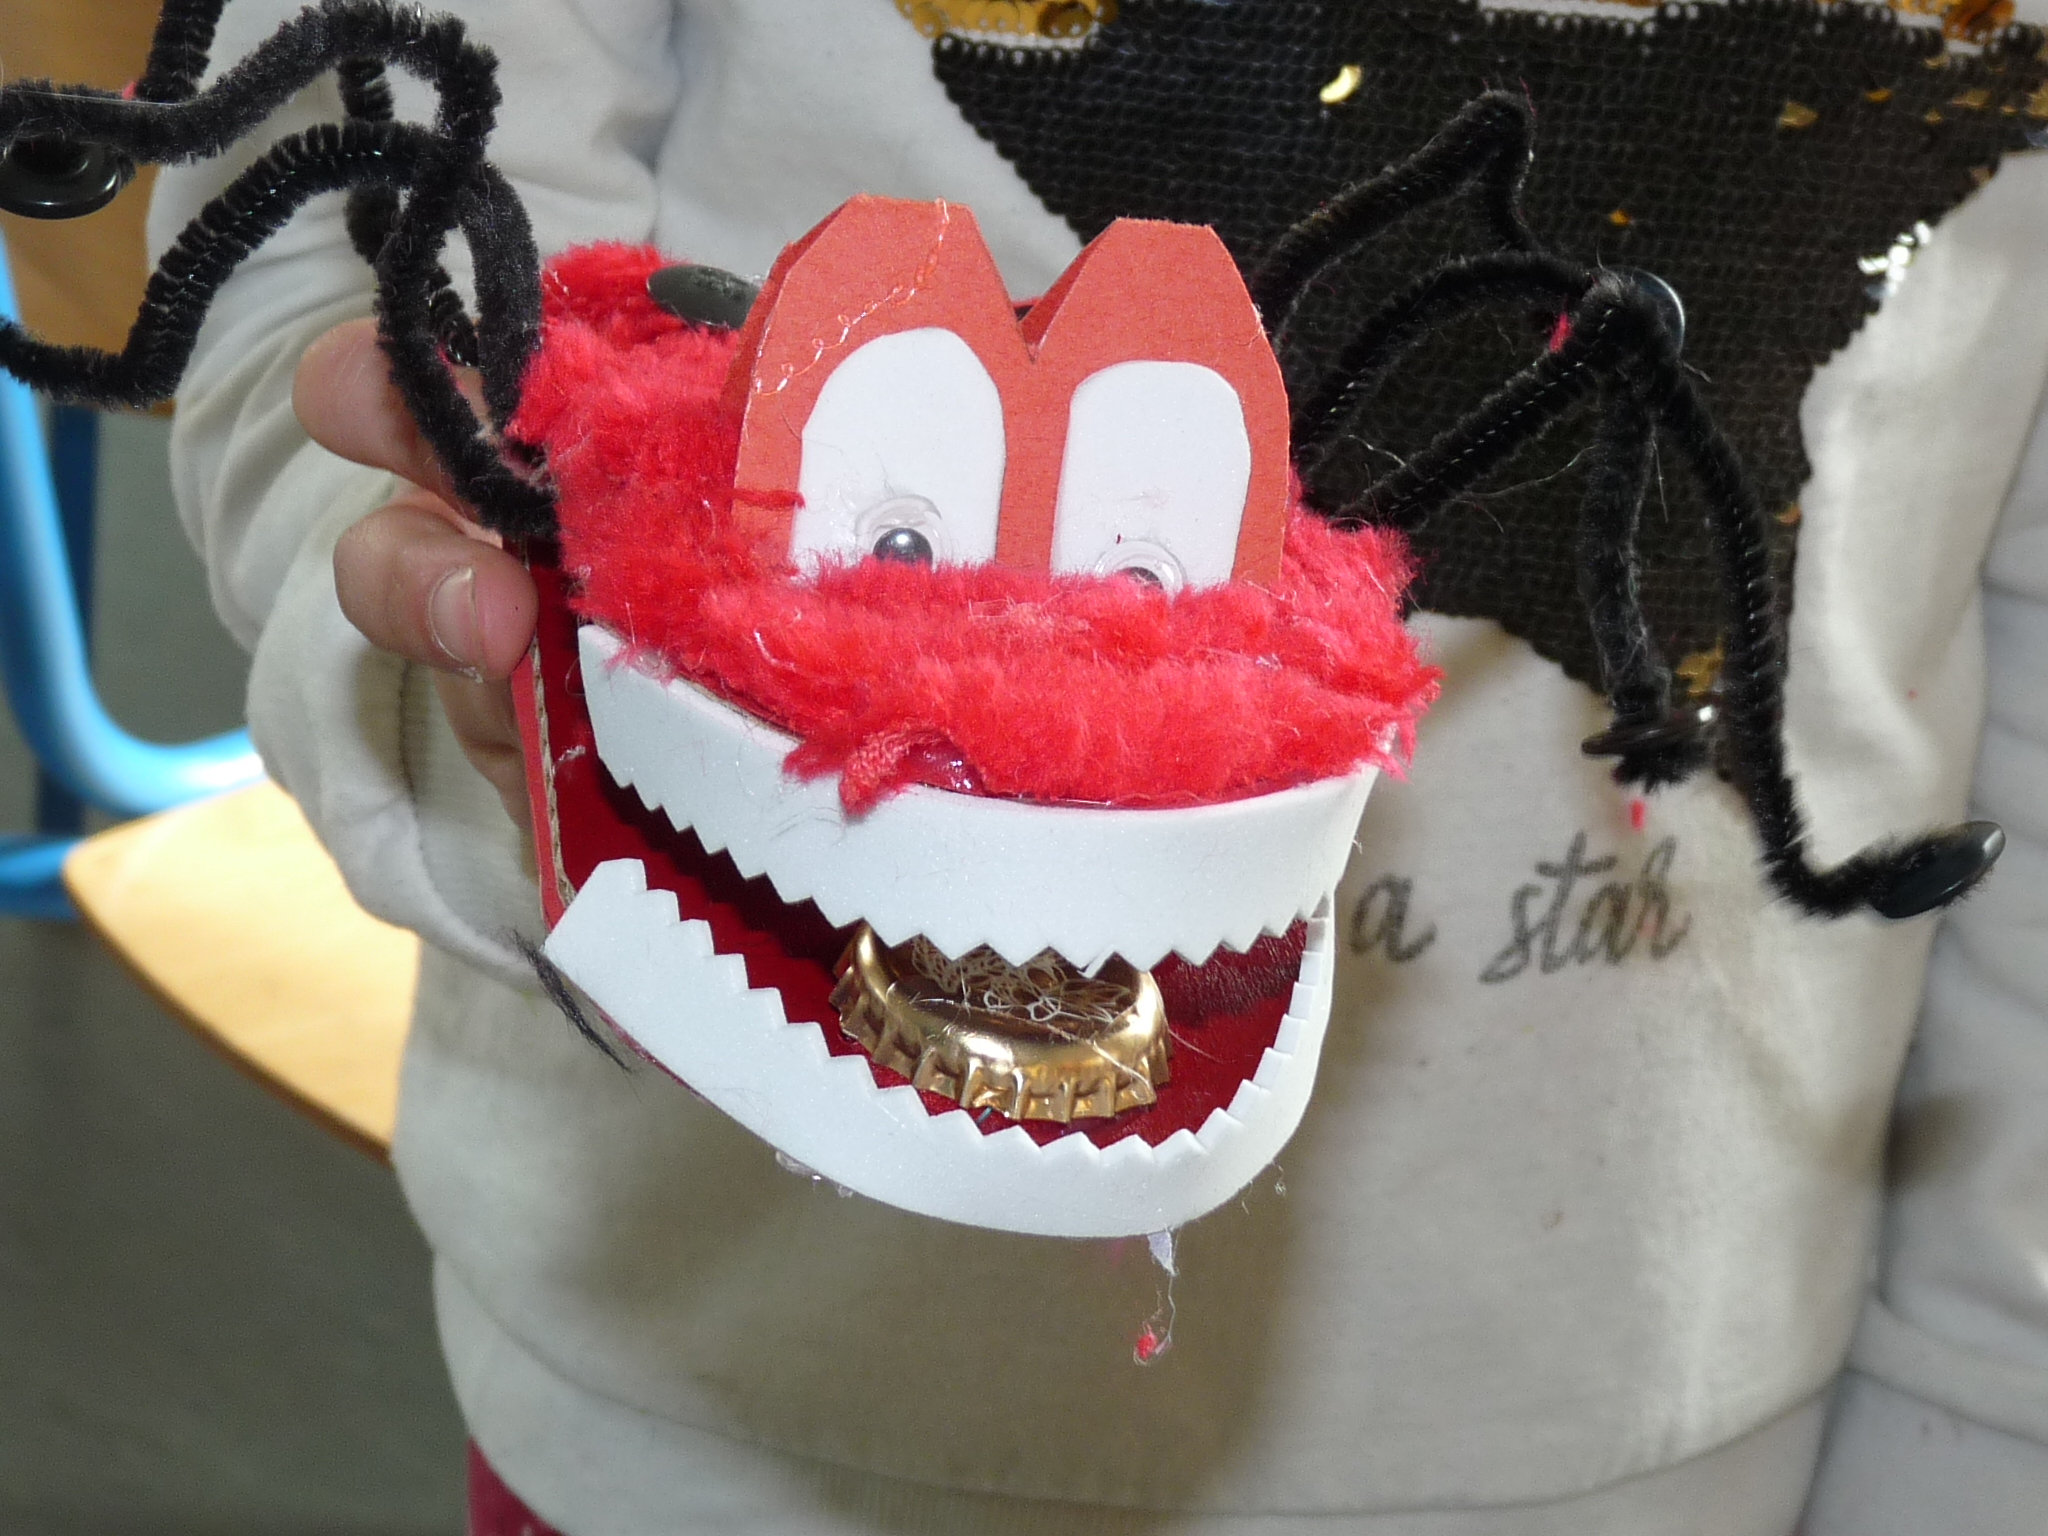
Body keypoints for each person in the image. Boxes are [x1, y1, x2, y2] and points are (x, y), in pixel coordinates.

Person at [153, 0, 2048, 1531]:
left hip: (1691, 1397)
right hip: (718, 1403)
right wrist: (506, 728)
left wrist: (1983, 1425)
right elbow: (334, 270)